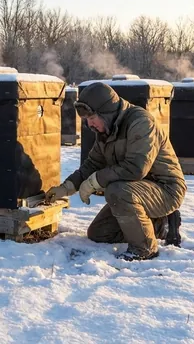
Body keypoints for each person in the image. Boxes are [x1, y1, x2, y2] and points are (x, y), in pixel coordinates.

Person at [45, 82, 186, 261]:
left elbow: (136, 168)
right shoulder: (107, 131)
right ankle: (161, 224)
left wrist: (95, 181)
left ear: (106, 113)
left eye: (91, 118)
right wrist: (66, 188)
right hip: (136, 191)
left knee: (117, 191)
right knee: (99, 233)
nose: (89, 125)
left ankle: (145, 249)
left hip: (166, 189)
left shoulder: (141, 122)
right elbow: (92, 164)